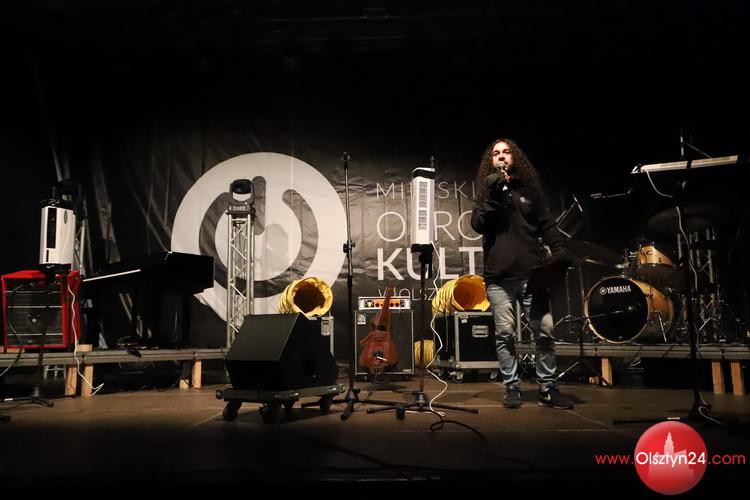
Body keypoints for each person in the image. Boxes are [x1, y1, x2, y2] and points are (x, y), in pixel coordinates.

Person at [471, 138, 574, 409]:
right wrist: (494, 196)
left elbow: (547, 225)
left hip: (532, 274)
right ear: (490, 161)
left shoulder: (529, 189)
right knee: (505, 333)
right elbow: (478, 224)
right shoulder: (486, 192)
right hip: (498, 277)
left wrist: (559, 248)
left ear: (514, 157)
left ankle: (548, 388)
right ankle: (512, 387)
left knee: (545, 331)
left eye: (506, 152)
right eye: (496, 153)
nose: (501, 156)